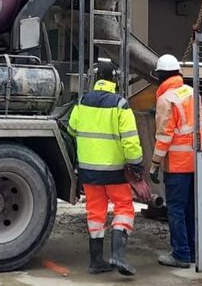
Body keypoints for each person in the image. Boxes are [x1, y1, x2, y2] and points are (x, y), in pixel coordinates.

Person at [67, 60, 143, 276]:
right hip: (115, 172)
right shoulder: (120, 104)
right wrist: (136, 164)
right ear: (114, 80)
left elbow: (72, 129)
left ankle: (96, 261)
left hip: (89, 172)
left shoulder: (82, 102)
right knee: (124, 208)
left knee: (95, 212)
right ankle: (118, 255)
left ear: (96, 79)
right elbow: (130, 139)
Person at [149, 53, 197, 269]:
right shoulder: (191, 93)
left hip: (177, 165)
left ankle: (180, 254)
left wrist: (154, 164)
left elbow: (164, 137)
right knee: (189, 209)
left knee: (175, 210)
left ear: (160, 75)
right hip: (196, 162)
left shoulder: (166, 99)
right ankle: (193, 252)